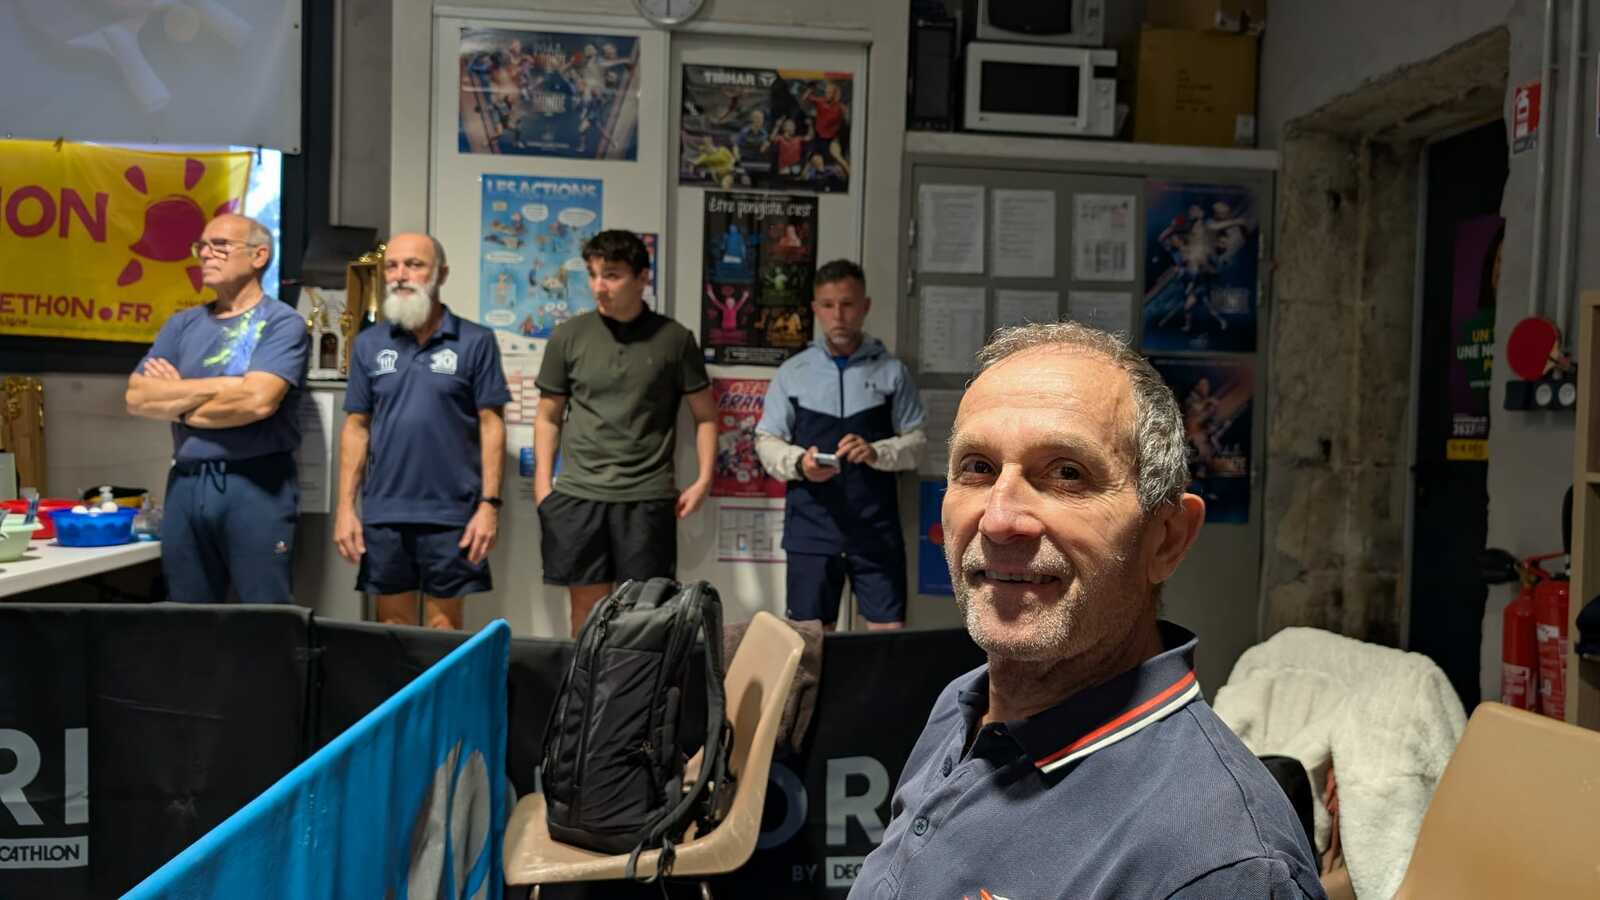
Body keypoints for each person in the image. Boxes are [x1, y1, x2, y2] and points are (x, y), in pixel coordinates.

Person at [850, 322, 1325, 899]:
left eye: (1066, 474)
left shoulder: (1222, 865)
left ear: (1168, 539)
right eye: (977, 467)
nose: (999, 519)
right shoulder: (963, 703)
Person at [534, 230, 716, 637]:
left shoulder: (675, 340)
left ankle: (635, 684)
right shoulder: (568, 336)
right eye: (593, 274)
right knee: (587, 612)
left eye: (612, 275)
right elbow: (548, 416)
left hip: (646, 497)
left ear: (642, 278)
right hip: (579, 496)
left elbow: (705, 416)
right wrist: (544, 489)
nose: (599, 286)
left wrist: (704, 479)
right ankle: (585, 682)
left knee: (643, 616)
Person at [125, 213, 309, 604]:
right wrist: (224, 386)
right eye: (202, 246)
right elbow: (138, 397)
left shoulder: (282, 323)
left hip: (256, 485)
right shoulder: (181, 325)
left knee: (264, 614)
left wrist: (177, 400)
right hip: (187, 483)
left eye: (220, 245)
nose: (206, 254)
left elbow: (257, 401)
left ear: (259, 255)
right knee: (187, 612)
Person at [333, 233, 509, 630]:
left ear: (440, 274)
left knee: (444, 630)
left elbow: (491, 424)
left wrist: (489, 505)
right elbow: (356, 427)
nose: (401, 275)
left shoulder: (475, 341)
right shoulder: (369, 344)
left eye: (414, 265)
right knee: (393, 631)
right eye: (392, 266)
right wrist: (345, 508)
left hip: (453, 513)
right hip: (384, 512)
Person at [755, 260, 925, 630]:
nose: (838, 315)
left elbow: (918, 444)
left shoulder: (892, 372)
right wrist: (800, 463)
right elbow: (766, 441)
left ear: (865, 306)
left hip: (875, 528)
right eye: (828, 305)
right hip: (811, 529)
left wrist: (878, 452)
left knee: (887, 636)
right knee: (809, 640)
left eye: (847, 304)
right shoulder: (793, 372)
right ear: (815, 309)